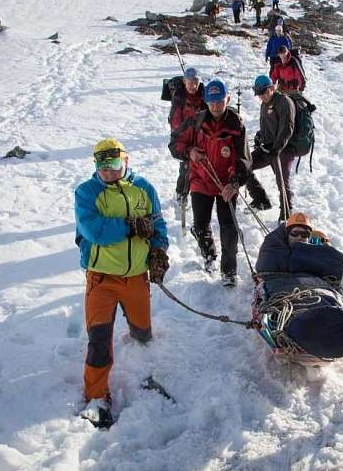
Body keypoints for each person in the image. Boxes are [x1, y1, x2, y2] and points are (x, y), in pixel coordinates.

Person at [74, 138, 170, 429]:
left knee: (142, 331)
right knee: (99, 340)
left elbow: (158, 223)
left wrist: (158, 251)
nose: (108, 171)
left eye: (113, 164)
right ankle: (96, 398)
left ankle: (147, 372)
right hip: (101, 278)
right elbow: (95, 231)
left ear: (125, 161)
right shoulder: (86, 192)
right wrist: (130, 225)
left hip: (136, 278)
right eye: (102, 166)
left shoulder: (144, 187)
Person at [253, 213, 343, 360]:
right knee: (287, 309)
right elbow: (267, 265)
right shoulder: (275, 251)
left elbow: (333, 268)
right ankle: (306, 330)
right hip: (283, 287)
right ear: (286, 235)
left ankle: (333, 324)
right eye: (295, 233)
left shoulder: (317, 254)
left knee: (327, 299)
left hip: (317, 286)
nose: (300, 237)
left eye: (305, 234)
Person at [169, 79, 250, 287]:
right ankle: (209, 255)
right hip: (201, 180)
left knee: (229, 229)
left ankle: (229, 272)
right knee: (200, 225)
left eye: (220, 101)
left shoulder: (236, 125)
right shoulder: (196, 121)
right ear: (206, 101)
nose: (215, 106)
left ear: (227, 100)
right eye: (212, 102)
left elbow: (243, 159)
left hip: (226, 184)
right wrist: (190, 152)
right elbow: (174, 143)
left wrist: (234, 184)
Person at [251, 75, 296, 220]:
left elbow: (287, 128)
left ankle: (286, 215)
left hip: (284, 149)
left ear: (271, 88)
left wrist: (277, 149)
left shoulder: (284, 102)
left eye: (264, 92)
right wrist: (260, 137)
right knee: (244, 165)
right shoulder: (265, 104)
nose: (261, 96)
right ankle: (261, 199)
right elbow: (267, 126)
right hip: (268, 148)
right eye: (259, 94)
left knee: (281, 181)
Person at [167, 67, 206, 199]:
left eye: (196, 82)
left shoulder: (203, 95)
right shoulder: (179, 98)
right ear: (184, 81)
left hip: (200, 135)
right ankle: (181, 193)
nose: (193, 86)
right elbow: (175, 122)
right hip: (184, 137)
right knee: (185, 168)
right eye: (190, 82)